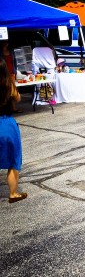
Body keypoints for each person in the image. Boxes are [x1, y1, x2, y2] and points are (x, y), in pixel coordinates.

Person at [0, 59, 27, 203]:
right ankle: (13, 193)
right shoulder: (8, 85)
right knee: (13, 160)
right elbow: (18, 98)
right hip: (6, 124)